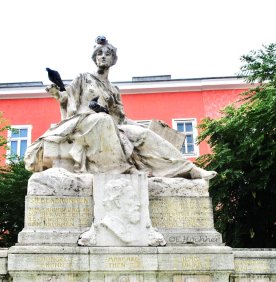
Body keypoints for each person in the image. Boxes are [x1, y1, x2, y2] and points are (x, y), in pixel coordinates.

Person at [24, 36, 216, 180]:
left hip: (111, 124)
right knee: (102, 119)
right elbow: (68, 97)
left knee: (143, 135)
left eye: (107, 54)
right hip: (83, 122)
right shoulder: (83, 78)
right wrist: (58, 92)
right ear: (94, 58)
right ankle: (123, 168)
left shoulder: (113, 89)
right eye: (99, 54)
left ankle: (190, 169)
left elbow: (121, 118)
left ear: (113, 59)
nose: (103, 57)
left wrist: (144, 128)